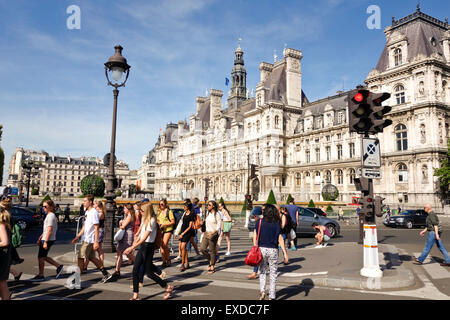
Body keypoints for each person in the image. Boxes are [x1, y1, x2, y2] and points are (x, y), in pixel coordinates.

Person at [125, 203, 173, 300]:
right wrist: (135, 240)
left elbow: (145, 237)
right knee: (135, 270)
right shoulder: (144, 218)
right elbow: (140, 233)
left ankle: (167, 287)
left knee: (149, 273)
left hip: (148, 247)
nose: (140, 212)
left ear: (146, 211)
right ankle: (136, 294)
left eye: (142, 211)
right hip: (143, 246)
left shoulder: (152, 220)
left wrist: (132, 247)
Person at [72, 195, 112, 284]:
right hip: (86, 238)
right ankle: (106, 274)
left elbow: (96, 227)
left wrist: (96, 241)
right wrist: (78, 236)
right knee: (92, 258)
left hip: (89, 240)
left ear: (90, 202)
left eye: (85, 201)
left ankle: (76, 278)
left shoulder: (94, 212)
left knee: (80, 258)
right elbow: (85, 226)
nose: (83, 202)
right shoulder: (87, 212)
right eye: (83, 201)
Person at [254, 203, 283, 300]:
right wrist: (285, 252)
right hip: (273, 250)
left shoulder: (260, 222)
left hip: (262, 249)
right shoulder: (277, 223)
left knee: (262, 271)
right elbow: (279, 237)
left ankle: (262, 292)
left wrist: (255, 246)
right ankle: (272, 296)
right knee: (273, 273)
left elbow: (255, 235)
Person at [30, 199, 64, 281]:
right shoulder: (49, 215)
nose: (43, 208)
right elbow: (46, 229)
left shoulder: (51, 216)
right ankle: (58, 266)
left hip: (48, 239)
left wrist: (45, 242)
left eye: (45, 206)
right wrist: (40, 237)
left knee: (41, 257)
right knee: (43, 256)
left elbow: (50, 230)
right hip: (46, 238)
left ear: (51, 206)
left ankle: (41, 274)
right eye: (43, 206)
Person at [114, 203, 136, 278]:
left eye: (124, 208)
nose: (123, 210)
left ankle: (138, 261)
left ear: (128, 209)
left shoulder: (130, 215)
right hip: (123, 235)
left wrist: (120, 223)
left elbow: (123, 227)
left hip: (127, 235)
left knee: (127, 252)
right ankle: (117, 270)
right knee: (119, 252)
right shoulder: (127, 215)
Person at [200, 200, 221, 274]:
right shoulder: (207, 213)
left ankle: (212, 265)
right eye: (207, 205)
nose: (207, 206)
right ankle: (211, 260)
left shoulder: (217, 214)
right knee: (202, 249)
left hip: (213, 233)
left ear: (213, 206)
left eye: (209, 205)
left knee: (212, 250)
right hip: (206, 232)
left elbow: (219, 225)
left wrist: (213, 232)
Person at [175, 201, 195, 271]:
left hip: (188, 232)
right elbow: (181, 223)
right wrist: (178, 232)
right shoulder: (184, 213)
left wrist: (182, 233)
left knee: (183, 246)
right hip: (182, 231)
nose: (183, 207)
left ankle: (182, 264)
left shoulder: (192, 214)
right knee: (183, 248)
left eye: (185, 206)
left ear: (188, 207)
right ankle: (187, 263)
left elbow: (190, 227)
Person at [157, 199, 175, 267]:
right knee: (161, 246)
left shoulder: (169, 211)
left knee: (164, 245)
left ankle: (168, 259)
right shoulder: (159, 211)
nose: (161, 205)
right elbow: (158, 220)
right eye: (160, 204)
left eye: (162, 204)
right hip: (161, 230)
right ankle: (164, 261)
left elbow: (173, 222)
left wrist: (165, 225)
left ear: (165, 204)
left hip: (168, 229)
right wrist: (158, 223)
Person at [0, 199, 12, 300]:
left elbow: (5, 242)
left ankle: (6, 296)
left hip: (2, 257)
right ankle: (6, 296)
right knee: (2, 282)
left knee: (2, 282)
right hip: (3, 255)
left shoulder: (1, 225)